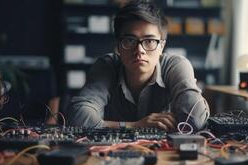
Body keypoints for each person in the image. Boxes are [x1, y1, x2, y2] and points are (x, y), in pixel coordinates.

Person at [67, 0, 210, 131]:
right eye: (130, 40)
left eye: (149, 41)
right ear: (118, 46)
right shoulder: (107, 65)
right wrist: (135, 125)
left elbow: (196, 121)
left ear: (162, 46)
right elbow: (78, 118)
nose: (139, 50)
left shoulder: (175, 66)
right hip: (112, 152)